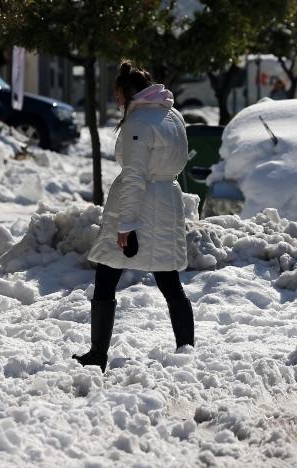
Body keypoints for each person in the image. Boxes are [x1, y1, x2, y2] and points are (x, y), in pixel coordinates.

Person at [73, 62, 195, 373]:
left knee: (106, 276)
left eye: (118, 96)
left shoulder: (138, 123)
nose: (117, 102)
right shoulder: (172, 115)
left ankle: (97, 355)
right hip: (167, 201)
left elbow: (134, 176)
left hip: (141, 206)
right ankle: (187, 351)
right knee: (169, 280)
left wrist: (126, 224)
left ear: (128, 93)